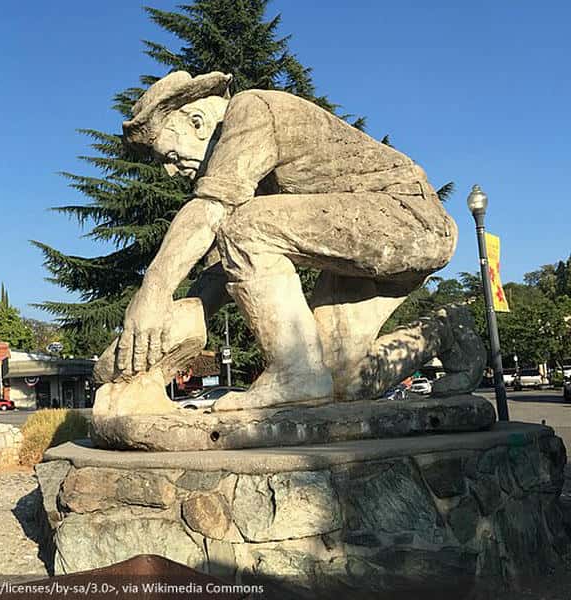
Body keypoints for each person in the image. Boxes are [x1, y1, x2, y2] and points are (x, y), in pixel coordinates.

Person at [114, 71, 468, 410]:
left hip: (410, 219)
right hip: (383, 228)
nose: (172, 171)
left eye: (170, 156)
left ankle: (294, 372)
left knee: (245, 224)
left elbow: (215, 213)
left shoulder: (250, 108)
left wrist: (153, 293)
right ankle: (444, 333)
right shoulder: (250, 166)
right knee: (343, 379)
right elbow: (224, 266)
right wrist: (175, 320)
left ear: (196, 121)